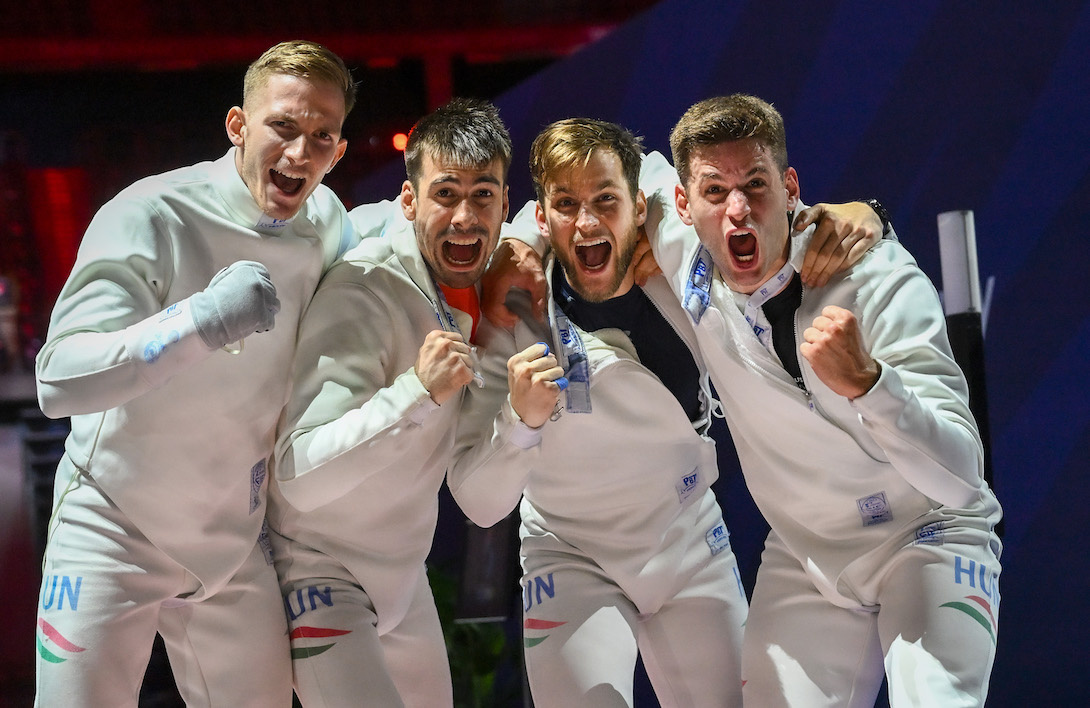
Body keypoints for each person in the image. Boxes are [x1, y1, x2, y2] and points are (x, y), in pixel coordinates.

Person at [644, 94, 1002, 706]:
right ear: (682, 203)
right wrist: (516, 252)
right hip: (808, 556)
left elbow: (962, 476)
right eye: (713, 191)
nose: (738, 211)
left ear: (789, 187)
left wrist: (869, 382)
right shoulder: (684, 252)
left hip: (928, 532)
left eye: (756, 184)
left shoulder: (877, 275)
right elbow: (588, 174)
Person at [32, 40, 356, 707]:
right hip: (112, 525)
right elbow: (59, 380)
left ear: (340, 151)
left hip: (231, 546)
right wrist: (202, 320)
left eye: (322, 136)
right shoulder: (151, 213)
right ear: (238, 125)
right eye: (284, 127)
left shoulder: (327, 223)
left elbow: (398, 247)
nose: (301, 152)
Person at [450, 118, 749, 707]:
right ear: (541, 216)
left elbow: (768, 217)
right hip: (569, 551)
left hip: (687, 533)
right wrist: (518, 422)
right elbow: (478, 502)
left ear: (640, 207)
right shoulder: (512, 305)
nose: (586, 222)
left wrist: (865, 213)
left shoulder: (683, 259)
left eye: (605, 201)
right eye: (566, 204)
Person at [266, 97, 511, 707]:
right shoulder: (363, 291)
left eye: (483, 195)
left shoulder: (483, 273)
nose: (465, 216)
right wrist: (417, 394)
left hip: (405, 580)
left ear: (506, 205)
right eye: (445, 193)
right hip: (320, 576)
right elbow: (297, 472)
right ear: (410, 202)